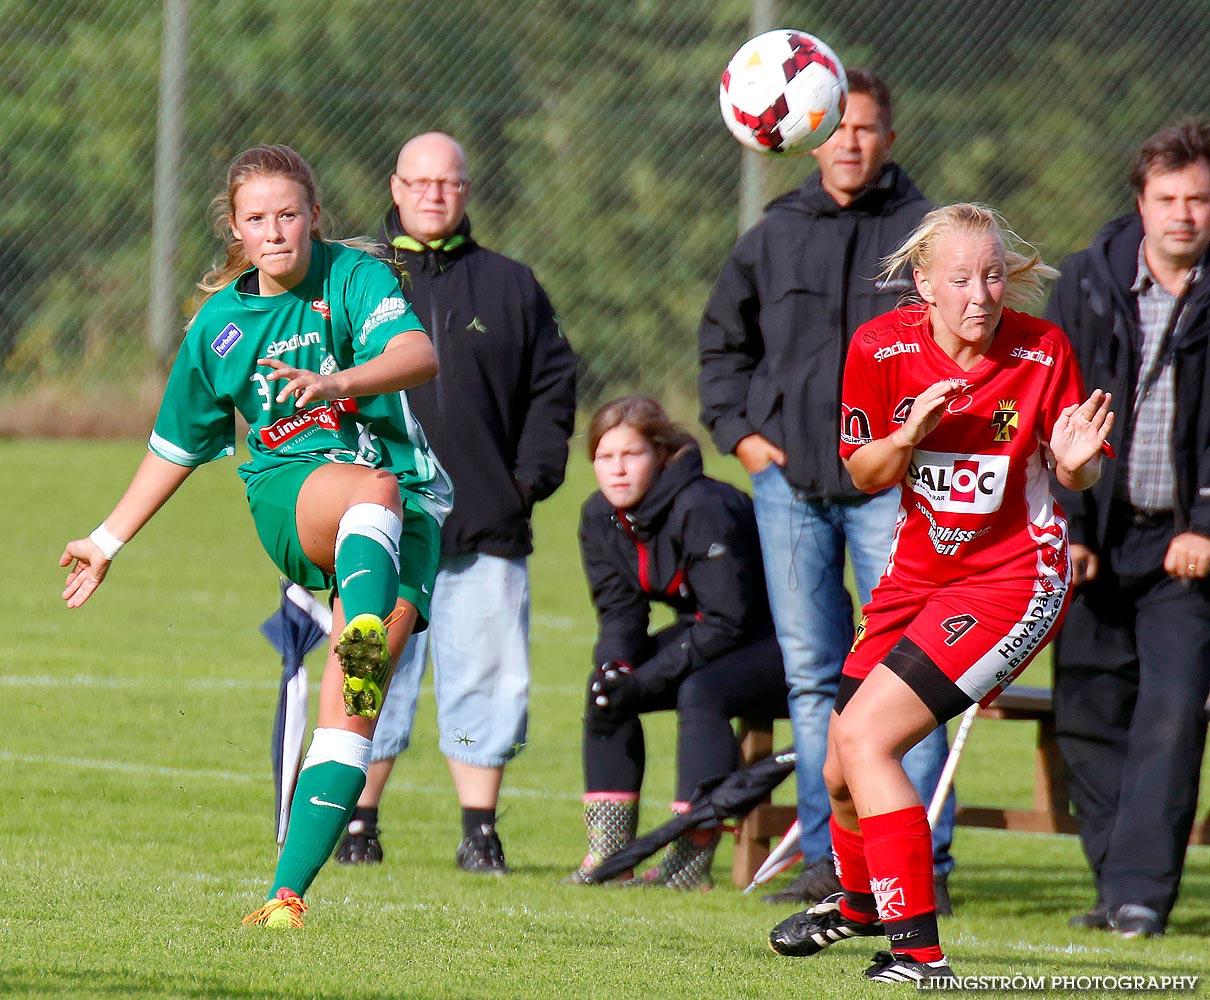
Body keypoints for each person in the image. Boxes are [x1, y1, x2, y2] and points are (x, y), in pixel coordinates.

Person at [59, 144, 452, 928]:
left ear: (313, 217)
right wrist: (105, 540)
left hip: (412, 509)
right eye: (256, 218)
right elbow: (175, 446)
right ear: (235, 231)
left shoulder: (355, 276)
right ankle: (362, 624)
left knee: (354, 710)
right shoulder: (221, 328)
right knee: (366, 491)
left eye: (288, 214)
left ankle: (285, 896)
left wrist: (339, 380)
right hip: (292, 494)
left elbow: (419, 355)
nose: (274, 230)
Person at [766, 203, 1112, 982]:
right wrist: (905, 435)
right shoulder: (880, 347)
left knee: (866, 742)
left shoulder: (1043, 351)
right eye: (961, 278)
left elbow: (1076, 470)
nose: (982, 295)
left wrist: (1077, 464)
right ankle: (859, 906)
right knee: (834, 767)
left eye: (993, 275)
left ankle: (918, 956)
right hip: (917, 577)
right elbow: (863, 473)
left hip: (1014, 581)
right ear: (924, 282)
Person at [697, 69, 955, 908]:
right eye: (837, 128)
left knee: (907, 671)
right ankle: (831, 857)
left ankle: (921, 864)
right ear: (810, 134)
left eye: (867, 128)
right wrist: (744, 438)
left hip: (895, 490)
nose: (850, 142)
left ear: (890, 138)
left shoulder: (928, 233)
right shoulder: (773, 233)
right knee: (812, 675)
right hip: (792, 487)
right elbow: (721, 346)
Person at [333, 132, 577, 874]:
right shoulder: (353, 281)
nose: (435, 194)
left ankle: (480, 832)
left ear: (465, 192)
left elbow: (552, 388)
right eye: (421, 181)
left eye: (450, 183)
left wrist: (523, 483)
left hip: (484, 528)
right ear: (396, 186)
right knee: (366, 667)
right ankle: (357, 825)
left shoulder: (510, 285)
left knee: (488, 678)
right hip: (380, 524)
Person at [1046, 119, 1210, 939]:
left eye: (1200, 199)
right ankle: (1117, 883)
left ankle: (1143, 894)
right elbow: (1055, 405)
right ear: (1140, 204)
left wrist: (1208, 522)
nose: (1184, 214)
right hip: (1094, 539)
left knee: (1173, 712)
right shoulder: (1083, 281)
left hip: (1188, 551)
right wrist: (1070, 525)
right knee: (1084, 710)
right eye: (1168, 198)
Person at [570, 395, 789, 889]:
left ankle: (689, 862)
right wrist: (619, 670)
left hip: (783, 640)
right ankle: (610, 857)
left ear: (662, 455)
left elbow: (730, 620)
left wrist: (648, 678)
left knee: (701, 690)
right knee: (604, 690)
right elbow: (620, 612)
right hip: (716, 632)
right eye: (605, 457)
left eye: (633, 455)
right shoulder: (598, 517)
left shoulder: (703, 507)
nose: (618, 470)